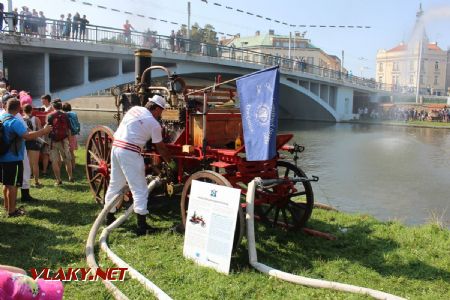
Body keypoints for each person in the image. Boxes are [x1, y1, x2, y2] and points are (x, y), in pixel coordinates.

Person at [104, 95, 175, 236]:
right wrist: (171, 163)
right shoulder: (154, 124)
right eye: (161, 111)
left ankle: (109, 217)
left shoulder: (134, 109)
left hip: (116, 147)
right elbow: (160, 148)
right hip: (130, 152)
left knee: (114, 184)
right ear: (156, 108)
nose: (160, 115)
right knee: (140, 189)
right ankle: (142, 226)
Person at [0, 98, 52, 217]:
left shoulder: (2, 118)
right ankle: (12, 212)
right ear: (19, 108)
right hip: (13, 158)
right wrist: (43, 131)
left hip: (2, 157)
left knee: (6, 184)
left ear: (6, 106)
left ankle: (7, 207)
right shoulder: (15, 121)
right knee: (13, 186)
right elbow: (27, 136)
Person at [47, 100, 73, 185]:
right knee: (67, 159)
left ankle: (58, 180)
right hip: (64, 140)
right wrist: (70, 141)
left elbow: (47, 128)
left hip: (53, 140)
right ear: (60, 107)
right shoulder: (65, 115)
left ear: (53, 107)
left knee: (54, 161)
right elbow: (69, 130)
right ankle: (70, 177)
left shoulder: (50, 115)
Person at [23, 104, 43, 187]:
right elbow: (40, 131)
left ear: (23, 110)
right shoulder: (36, 119)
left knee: (25, 163)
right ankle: (36, 181)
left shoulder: (21, 119)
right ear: (31, 110)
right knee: (35, 164)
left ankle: (25, 182)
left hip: (24, 142)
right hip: (34, 142)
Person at [62, 102, 80, 170]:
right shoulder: (74, 114)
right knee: (72, 152)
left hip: (67, 135)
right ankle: (73, 166)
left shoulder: (64, 115)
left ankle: (68, 166)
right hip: (73, 134)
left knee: (66, 151)